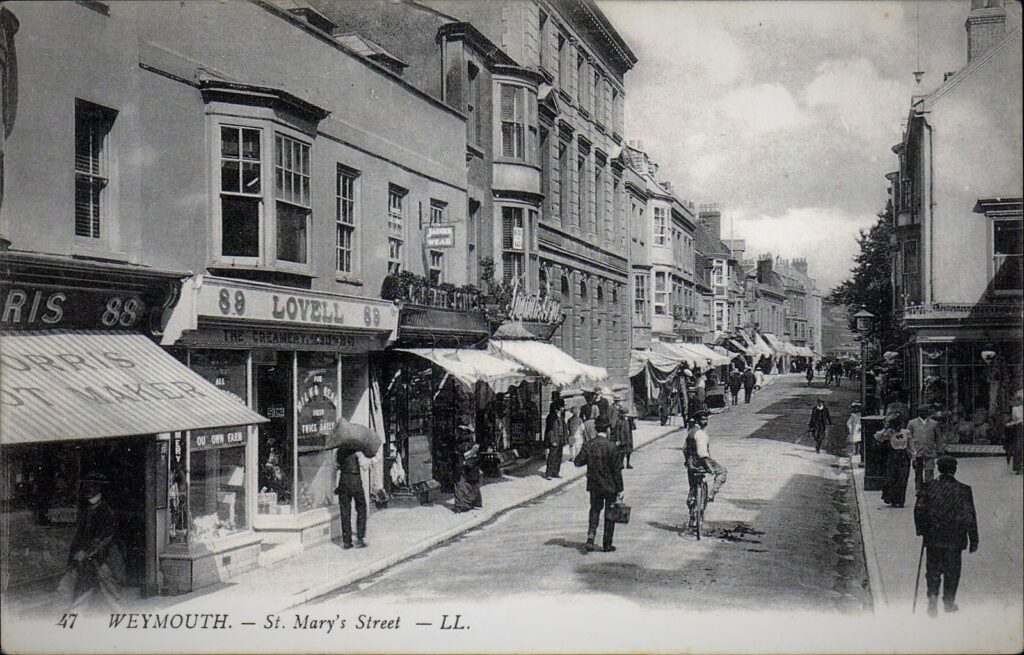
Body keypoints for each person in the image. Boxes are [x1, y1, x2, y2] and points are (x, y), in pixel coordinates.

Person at [914, 456, 979, 616]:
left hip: (933, 537)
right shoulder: (964, 490)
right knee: (952, 571)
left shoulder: (928, 487)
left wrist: (922, 530)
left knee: (933, 570)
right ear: (954, 470)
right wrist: (973, 539)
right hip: (955, 539)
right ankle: (949, 602)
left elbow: (919, 510)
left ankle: (932, 598)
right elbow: (970, 516)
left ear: (938, 469)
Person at [61, 473, 124, 612]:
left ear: (100, 490)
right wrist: (75, 555)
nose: (89, 491)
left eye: (93, 487)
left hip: (103, 560)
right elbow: (80, 536)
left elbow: (106, 537)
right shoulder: (87, 511)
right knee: (83, 592)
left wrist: (86, 552)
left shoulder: (107, 512)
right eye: (88, 488)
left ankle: (122, 617)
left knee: (112, 593)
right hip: (88, 561)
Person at [573, 428, 624, 553]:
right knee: (610, 513)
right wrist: (620, 489)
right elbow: (617, 471)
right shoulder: (612, 446)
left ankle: (590, 538)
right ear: (607, 430)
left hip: (594, 485)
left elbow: (578, 462)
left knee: (594, 511)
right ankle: (607, 544)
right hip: (610, 486)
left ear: (596, 430)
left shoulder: (589, 444)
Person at [683, 410, 728, 527]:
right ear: (698, 421)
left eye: (706, 419)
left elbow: (685, 449)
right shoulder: (701, 434)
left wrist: (687, 461)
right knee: (722, 471)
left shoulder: (690, 432)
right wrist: (709, 467)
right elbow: (702, 454)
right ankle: (712, 494)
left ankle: (692, 516)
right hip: (702, 461)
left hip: (691, 464)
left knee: (693, 488)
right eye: (703, 419)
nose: (705, 421)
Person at [336, 446, 367, 548]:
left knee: (345, 510)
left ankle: (347, 541)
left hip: (343, 479)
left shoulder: (339, 450)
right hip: (355, 479)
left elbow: (337, 466)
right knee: (361, 507)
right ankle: (360, 537)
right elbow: (364, 465)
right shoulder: (358, 451)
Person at [879, 414, 912, 508]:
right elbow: (878, 437)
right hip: (893, 456)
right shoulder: (890, 433)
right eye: (896, 424)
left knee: (902, 479)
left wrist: (914, 457)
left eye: (899, 424)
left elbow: (911, 446)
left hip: (903, 457)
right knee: (892, 478)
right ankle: (893, 500)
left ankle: (901, 501)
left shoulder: (906, 432)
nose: (898, 427)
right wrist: (885, 429)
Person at [908, 404, 942, 494]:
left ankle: (929, 490)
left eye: (925, 411)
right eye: (922, 411)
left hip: (929, 451)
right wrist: (910, 452)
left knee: (929, 472)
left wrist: (939, 450)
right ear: (919, 412)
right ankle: (919, 490)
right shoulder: (912, 423)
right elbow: (909, 438)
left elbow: (938, 438)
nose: (924, 413)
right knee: (918, 473)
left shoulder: (934, 423)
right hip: (917, 452)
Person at [453, 425, 482, 512]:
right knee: (459, 486)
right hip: (460, 467)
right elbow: (456, 455)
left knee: (473, 486)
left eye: (465, 433)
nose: (462, 435)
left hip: (471, 468)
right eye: (461, 433)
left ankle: (467, 503)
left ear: (469, 434)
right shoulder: (457, 444)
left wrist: (467, 462)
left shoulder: (473, 445)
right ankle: (460, 505)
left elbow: (477, 457)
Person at [544, 393, 566, 479]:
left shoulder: (561, 417)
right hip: (554, 439)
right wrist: (552, 440)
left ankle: (556, 472)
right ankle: (549, 473)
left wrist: (564, 439)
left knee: (559, 456)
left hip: (560, 439)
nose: (563, 408)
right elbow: (550, 430)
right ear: (558, 408)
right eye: (562, 407)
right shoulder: (551, 417)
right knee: (552, 456)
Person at [613, 394, 635, 469]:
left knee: (629, 451)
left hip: (628, 438)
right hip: (622, 438)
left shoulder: (628, 421)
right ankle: (621, 464)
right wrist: (618, 439)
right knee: (622, 452)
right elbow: (617, 431)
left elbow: (632, 427)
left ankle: (628, 463)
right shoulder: (619, 422)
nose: (626, 415)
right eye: (624, 414)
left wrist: (632, 420)